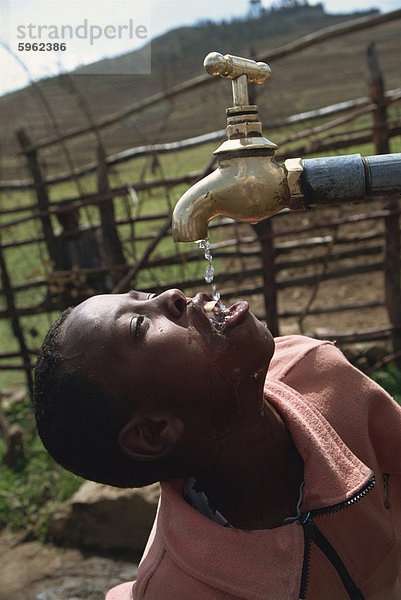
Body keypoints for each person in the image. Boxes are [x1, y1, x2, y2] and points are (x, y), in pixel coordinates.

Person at [34, 288, 401, 599]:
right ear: (154, 432)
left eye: (146, 295)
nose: (173, 295)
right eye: (139, 326)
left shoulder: (317, 373)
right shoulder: (177, 588)